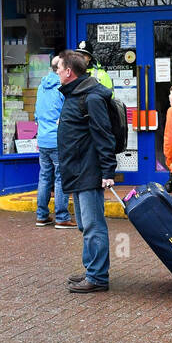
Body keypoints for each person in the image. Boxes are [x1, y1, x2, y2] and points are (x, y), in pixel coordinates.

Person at [55, 49, 117, 293]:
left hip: (88, 171)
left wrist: (107, 171)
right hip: (78, 170)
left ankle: (98, 277)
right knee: (84, 225)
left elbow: (104, 135)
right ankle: (92, 269)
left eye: (59, 68)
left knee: (93, 225)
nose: (57, 72)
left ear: (69, 72)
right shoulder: (76, 94)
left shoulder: (89, 97)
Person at [34, 54, 75, 228]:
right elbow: (69, 113)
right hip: (58, 139)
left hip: (43, 139)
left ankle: (42, 215)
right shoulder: (62, 87)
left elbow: (36, 114)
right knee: (60, 178)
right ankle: (61, 216)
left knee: (44, 177)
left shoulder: (41, 87)